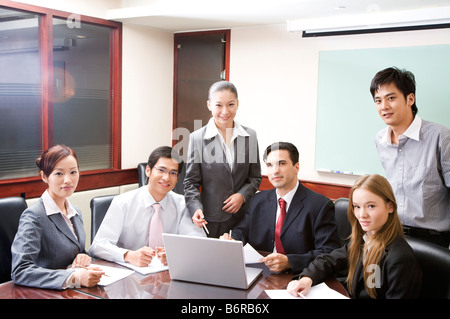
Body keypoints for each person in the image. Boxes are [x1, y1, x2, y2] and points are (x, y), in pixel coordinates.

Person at [287, 174, 422, 299]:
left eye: (370, 206)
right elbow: (328, 261)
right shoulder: (365, 241)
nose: (362, 214)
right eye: (357, 206)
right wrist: (307, 278)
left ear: (390, 207)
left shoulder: (400, 258)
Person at [221, 142, 340, 274]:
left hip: (300, 277)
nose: (275, 170)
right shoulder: (257, 200)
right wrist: (232, 241)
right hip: (261, 273)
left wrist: (290, 262)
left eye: (282, 163)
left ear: (297, 167)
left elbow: (328, 252)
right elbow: (241, 231)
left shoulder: (320, 205)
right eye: (269, 165)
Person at [370, 67, 450, 248]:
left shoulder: (441, 136)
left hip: (433, 239)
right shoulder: (380, 139)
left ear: (410, 99)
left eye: (391, 98)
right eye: (378, 100)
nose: (384, 107)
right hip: (393, 233)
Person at [89, 146, 205, 267]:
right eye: (161, 170)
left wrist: (175, 252)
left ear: (177, 179)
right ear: (148, 171)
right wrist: (128, 255)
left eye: (173, 173)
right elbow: (98, 246)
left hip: (166, 274)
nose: (166, 178)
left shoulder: (183, 205)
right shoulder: (122, 202)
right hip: (128, 274)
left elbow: (197, 241)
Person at [11, 145, 104, 290]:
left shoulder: (75, 212)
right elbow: (20, 271)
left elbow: (76, 250)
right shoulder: (34, 216)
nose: (68, 180)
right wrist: (74, 278)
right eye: (59, 174)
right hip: (45, 292)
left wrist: (83, 256)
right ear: (44, 177)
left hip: (72, 293)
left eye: (73, 172)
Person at [183, 80, 262, 238]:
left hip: (244, 218)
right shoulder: (197, 138)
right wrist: (195, 208)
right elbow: (190, 182)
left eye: (230, 104)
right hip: (212, 220)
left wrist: (242, 196)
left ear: (237, 104)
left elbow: (255, 177)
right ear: (209, 105)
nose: (225, 111)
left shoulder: (250, 136)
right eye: (219, 105)